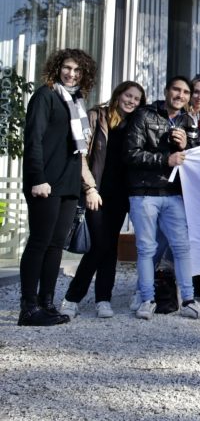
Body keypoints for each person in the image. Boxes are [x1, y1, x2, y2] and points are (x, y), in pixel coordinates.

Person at [18, 49, 97, 326]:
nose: (71, 74)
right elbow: (34, 140)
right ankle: (28, 308)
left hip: (67, 183)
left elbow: (79, 151)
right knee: (39, 243)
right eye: (67, 68)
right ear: (57, 68)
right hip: (45, 182)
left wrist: (85, 186)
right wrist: (38, 178)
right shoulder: (46, 95)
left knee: (55, 246)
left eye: (77, 70)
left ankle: (46, 303)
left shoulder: (76, 101)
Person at [125, 75, 200, 320]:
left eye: (186, 92)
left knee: (183, 248)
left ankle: (188, 300)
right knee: (146, 249)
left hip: (174, 194)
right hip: (144, 193)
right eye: (177, 90)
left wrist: (188, 144)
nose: (181, 95)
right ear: (166, 91)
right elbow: (131, 154)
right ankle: (146, 299)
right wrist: (165, 159)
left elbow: (196, 159)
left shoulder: (188, 120)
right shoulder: (144, 115)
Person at [59, 81, 146, 320]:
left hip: (122, 195)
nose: (132, 101)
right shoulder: (97, 116)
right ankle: (72, 298)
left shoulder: (136, 123)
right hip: (97, 192)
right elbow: (82, 155)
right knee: (99, 245)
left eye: (137, 99)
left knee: (110, 246)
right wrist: (89, 188)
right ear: (119, 94)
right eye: (129, 95)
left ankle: (103, 299)